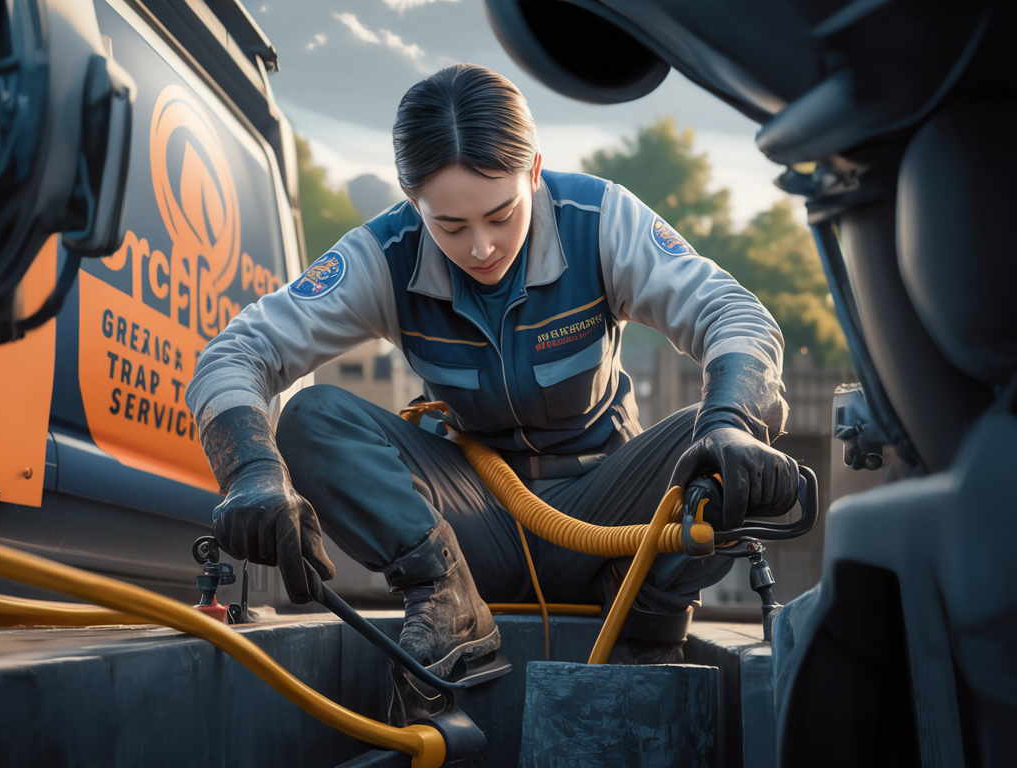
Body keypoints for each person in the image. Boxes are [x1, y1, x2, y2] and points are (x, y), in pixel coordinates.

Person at [187, 64, 798, 680]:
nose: (481, 248)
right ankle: (445, 599)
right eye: (449, 225)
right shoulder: (383, 254)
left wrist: (732, 422)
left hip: (612, 518)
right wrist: (252, 472)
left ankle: (646, 611)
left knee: (722, 447)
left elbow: (734, 313)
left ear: (533, 170)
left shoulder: (599, 219)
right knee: (310, 420)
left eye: (502, 214)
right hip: (470, 524)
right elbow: (233, 355)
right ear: (411, 202)